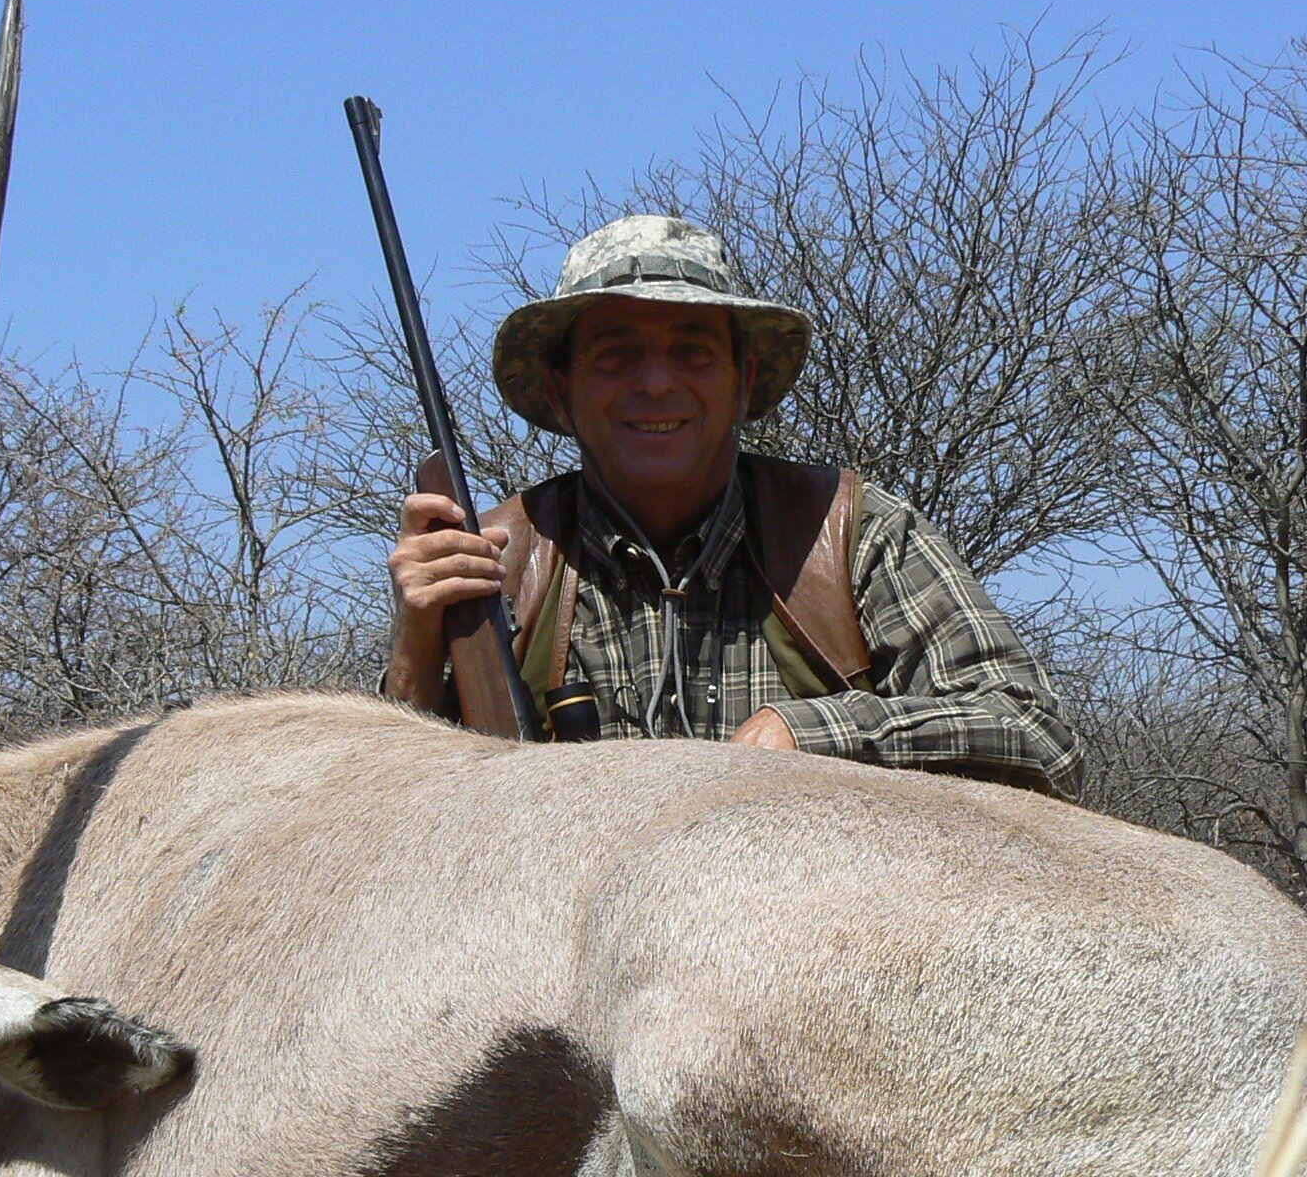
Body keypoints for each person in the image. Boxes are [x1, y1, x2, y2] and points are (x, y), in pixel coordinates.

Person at [383, 213, 1082, 793]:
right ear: (562, 394)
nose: (656, 384)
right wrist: (416, 649)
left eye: (692, 352)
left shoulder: (853, 534)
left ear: (744, 383)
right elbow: (378, 820)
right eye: (615, 355)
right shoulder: (492, 560)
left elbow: (1036, 733)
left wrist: (812, 734)